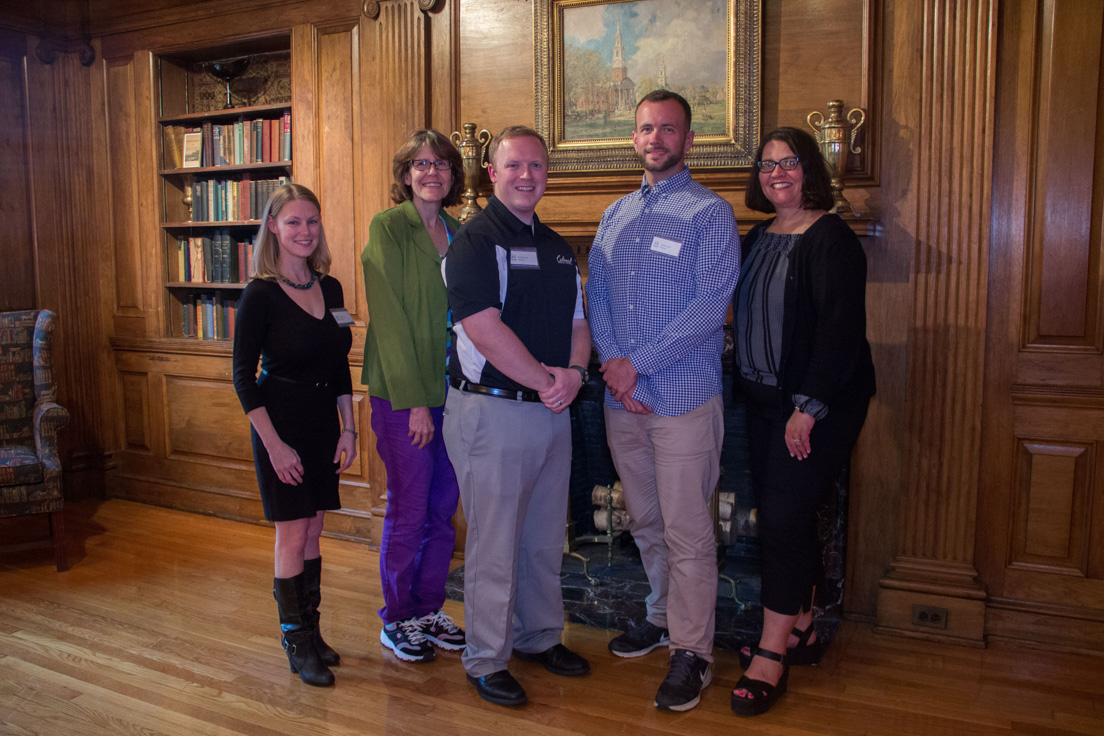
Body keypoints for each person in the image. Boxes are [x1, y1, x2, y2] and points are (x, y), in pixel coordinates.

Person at [586, 89, 740, 712]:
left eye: (668, 129)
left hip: (680, 401)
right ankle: (659, 615)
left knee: (687, 530)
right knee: (643, 520)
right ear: (634, 138)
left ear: (688, 140)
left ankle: (693, 652)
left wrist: (636, 367)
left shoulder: (710, 213)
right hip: (623, 403)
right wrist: (617, 372)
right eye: (646, 128)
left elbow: (709, 309)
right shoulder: (615, 212)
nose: (656, 138)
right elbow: (596, 296)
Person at [442, 125, 592, 707]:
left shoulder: (556, 246)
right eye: (514, 166)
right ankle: (485, 657)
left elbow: (580, 322)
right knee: (495, 542)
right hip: (493, 412)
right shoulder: (475, 241)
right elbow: (483, 327)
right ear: (492, 173)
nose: (526, 175)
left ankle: (537, 637)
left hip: (552, 410)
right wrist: (547, 381)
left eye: (536, 166)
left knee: (541, 538)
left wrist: (573, 377)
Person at [729, 127, 876, 717]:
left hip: (819, 406)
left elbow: (841, 336)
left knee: (784, 522)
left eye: (789, 162)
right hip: (764, 402)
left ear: (809, 169)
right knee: (785, 518)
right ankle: (805, 628)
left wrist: (806, 408)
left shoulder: (833, 238)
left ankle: (771, 655)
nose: (777, 173)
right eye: (767, 165)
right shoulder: (758, 236)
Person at [232, 183, 357, 688]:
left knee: (315, 529)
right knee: (292, 532)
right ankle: (295, 643)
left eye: (312, 221)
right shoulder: (259, 294)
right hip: (279, 422)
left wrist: (349, 428)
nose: (305, 231)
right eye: (293, 222)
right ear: (273, 228)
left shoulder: (330, 289)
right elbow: (243, 377)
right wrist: (274, 445)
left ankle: (313, 629)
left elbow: (340, 365)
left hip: (324, 424)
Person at [362, 129, 466, 663]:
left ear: (453, 175)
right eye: (421, 163)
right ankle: (396, 618)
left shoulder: (457, 229)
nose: (432, 172)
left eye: (442, 163)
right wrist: (416, 401)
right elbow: (390, 318)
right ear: (406, 174)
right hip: (406, 395)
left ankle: (428, 608)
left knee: (443, 508)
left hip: (456, 392)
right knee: (410, 507)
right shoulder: (389, 227)